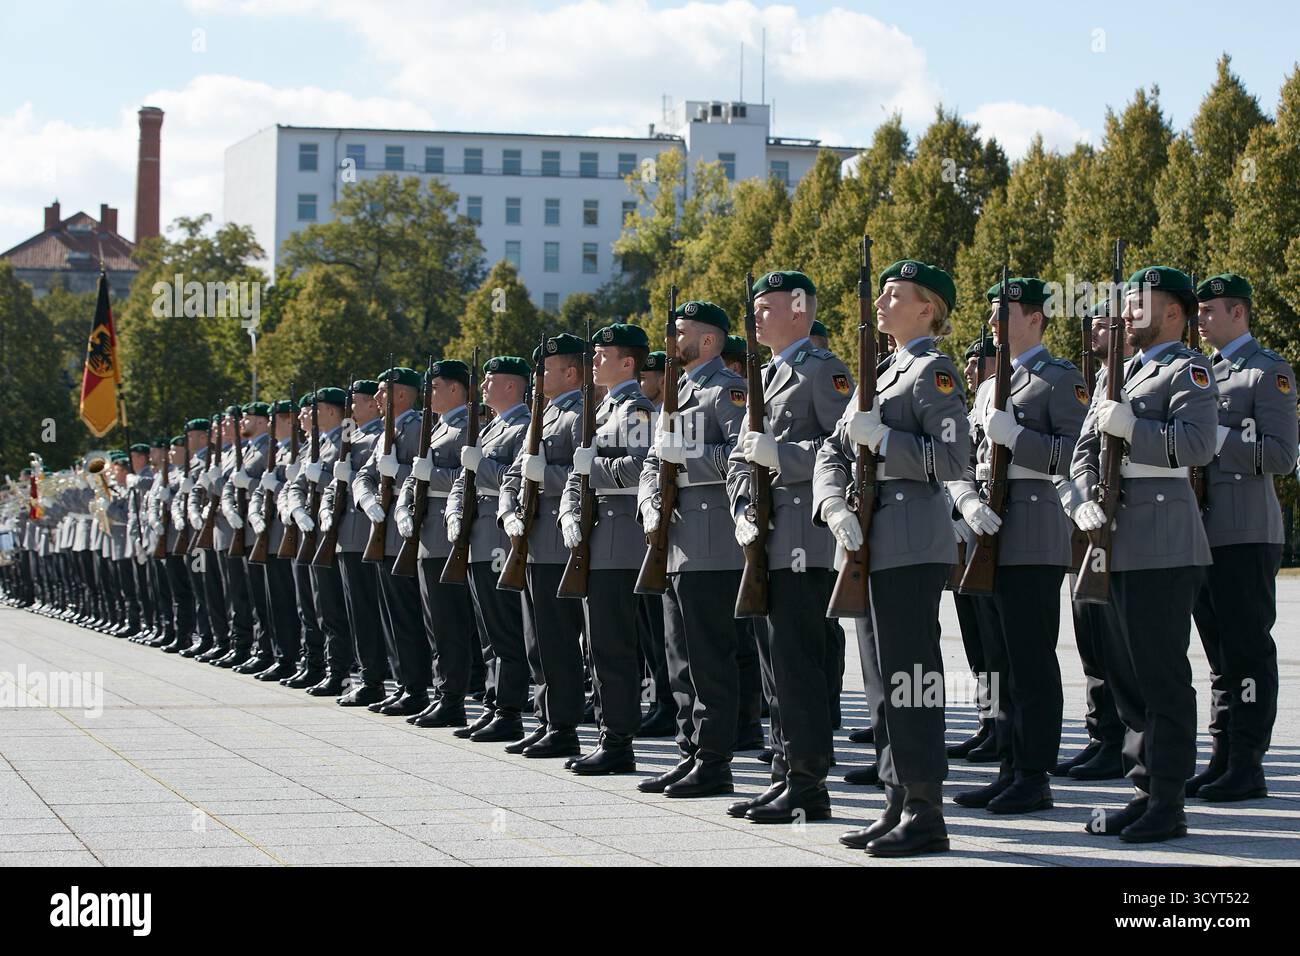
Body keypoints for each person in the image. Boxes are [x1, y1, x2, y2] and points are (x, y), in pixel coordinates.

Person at [815, 259, 968, 856]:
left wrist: (886, 443)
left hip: (910, 541)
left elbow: (953, 461)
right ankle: (897, 799)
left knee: (911, 677)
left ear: (928, 308)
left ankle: (927, 807)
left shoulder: (933, 372)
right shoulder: (879, 373)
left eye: (895, 295)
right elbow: (833, 449)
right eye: (879, 294)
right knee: (880, 680)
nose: (880, 303)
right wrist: (832, 503)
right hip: (870, 541)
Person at [1071, 265, 1217, 843]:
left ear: (1174, 314)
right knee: (1126, 674)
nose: (1126, 310)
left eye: (1139, 301)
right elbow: (1083, 452)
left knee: (1160, 675)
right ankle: (1144, 784)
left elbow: (1199, 446)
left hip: (1162, 541)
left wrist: (1133, 426)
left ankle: (1169, 799)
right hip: (1112, 540)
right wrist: (1082, 500)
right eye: (1125, 300)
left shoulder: (1189, 370)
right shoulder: (1117, 372)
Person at [947, 276, 1086, 815]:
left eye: (1002, 313)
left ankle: (1034, 774)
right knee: (999, 661)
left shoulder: (1059, 379)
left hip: (1032, 532)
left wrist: (1017, 439)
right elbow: (972, 454)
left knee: (1030, 660)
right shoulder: (986, 386)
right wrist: (963, 500)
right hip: (987, 531)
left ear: (1035, 318)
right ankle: (1008, 764)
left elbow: (1077, 454)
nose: (991, 323)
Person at [726, 270, 853, 824]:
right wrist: (742, 510)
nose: (756, 317)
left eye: (767, 306)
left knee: (798, 661)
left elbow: (841, 450)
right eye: (754, 307)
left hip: (806, 540)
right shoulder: (766, 374)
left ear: (799, 311)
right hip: (767, 541)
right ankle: (784, 769)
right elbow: (738, 460)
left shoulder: (823, 371)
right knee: (775, 661)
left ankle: (808, 782)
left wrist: (780, 455)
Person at [1188, 273, 1297, 801]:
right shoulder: (1202, 371)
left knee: (1247, 650)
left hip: (1245, 531)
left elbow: (1281, 455)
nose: (1200, 319)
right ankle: (1222, 750)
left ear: (1238, 313)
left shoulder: (1266, 371)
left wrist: (1217, 439)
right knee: (1218, 653)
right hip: (1202, 531)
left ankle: (1248, 759)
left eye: (1209, 311)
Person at [637, 300, 748, 796]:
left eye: (679, 331)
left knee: (709, 658)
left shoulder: (727, 391)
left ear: (707, 341)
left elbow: (743, 457)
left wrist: (686, 460)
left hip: (712, 543)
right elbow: (651, 462)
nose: (670, 339)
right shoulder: (675, 392)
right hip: (675, 541)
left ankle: (715, 760)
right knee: (679, 657)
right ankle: (689, 751)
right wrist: (649, 504)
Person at [562, 323, 656, 774]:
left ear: (628, 363)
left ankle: (618, 741)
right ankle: (609, 733)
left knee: (613, 644)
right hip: (598, 539)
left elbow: (642, 470)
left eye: (603, 355)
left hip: (622, 542)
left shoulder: (635, 408)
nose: (594, 362)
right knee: (598, 644)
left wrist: (593, 470)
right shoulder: (604, 409)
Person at [499, 333, 587, 759]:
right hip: (531, 540)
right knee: (536, 640)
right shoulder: (545, 415)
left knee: (557, 640)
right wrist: (509, 511)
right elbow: (515, 474)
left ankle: (565, 725)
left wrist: (543, 476)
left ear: (570, 372)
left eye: (546, 369)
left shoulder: (580, 414)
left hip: (558, 541)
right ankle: (546, 718)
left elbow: (581, 476)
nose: (538, 377)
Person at [1054, 304, 1130, 780]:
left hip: (1133, 525)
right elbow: (1081, 453)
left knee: (1122, 641)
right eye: (1094, 324)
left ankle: (1125, 740)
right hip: (1088, 523)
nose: (1096, 330)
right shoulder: (1102, 380)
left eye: (1105, 323)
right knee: (1091, 636)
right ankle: (1103, 734)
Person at [446, 357, 532, 741]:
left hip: (501, 536)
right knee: (487, 633)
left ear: (511, 386)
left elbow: (517, 481)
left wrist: (480, 464)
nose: (482, 387)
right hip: (479, 536)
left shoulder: (523, 426)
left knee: (504, 630)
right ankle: (493, 703)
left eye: (490, 380)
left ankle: (510, 710)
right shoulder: (495, 425)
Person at [399, 361, 478, 727]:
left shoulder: (466, 427)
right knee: (434, 622)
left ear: (456, 390)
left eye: (436, 386)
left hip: (447, 537)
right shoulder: (438, 427)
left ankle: (452, 697)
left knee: (449, 622)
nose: (428, 393)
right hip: (425, 534)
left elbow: (467, 478)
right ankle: (442, 691)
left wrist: (433, 477)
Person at [353, 367, 428, 716]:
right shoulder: (390, 429)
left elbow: (418, 477)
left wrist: (393, 474)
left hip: (405, 531)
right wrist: (367, 499)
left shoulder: (414, 427)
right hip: (383, 529)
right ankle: (402, 684)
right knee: (390, 614)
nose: (378, 398)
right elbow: (365, 475)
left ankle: (415, 687)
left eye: (384, 391)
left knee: (406, 614)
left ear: (401, 395)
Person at [321, 380, 391, 706]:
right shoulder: (353, 437)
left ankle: (374, 678)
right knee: (353, 612)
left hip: (367, 535)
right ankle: (365, 675)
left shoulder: (379, 436)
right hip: (347, 536)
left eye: (357, 402)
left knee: (369, 613)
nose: (351, 410)